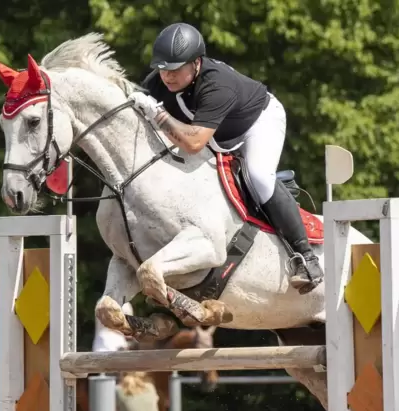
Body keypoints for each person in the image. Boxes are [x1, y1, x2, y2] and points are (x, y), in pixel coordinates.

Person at [127, 22, 323, 294]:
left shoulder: (217, 84)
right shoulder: (158, 83)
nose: (167, 76)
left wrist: (159, 115)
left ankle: (306, 259)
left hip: (256, 123)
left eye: (174, 69)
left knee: (258, 177)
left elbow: (195, 142)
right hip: (215, 134)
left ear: (196, 63)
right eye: (162, 69)